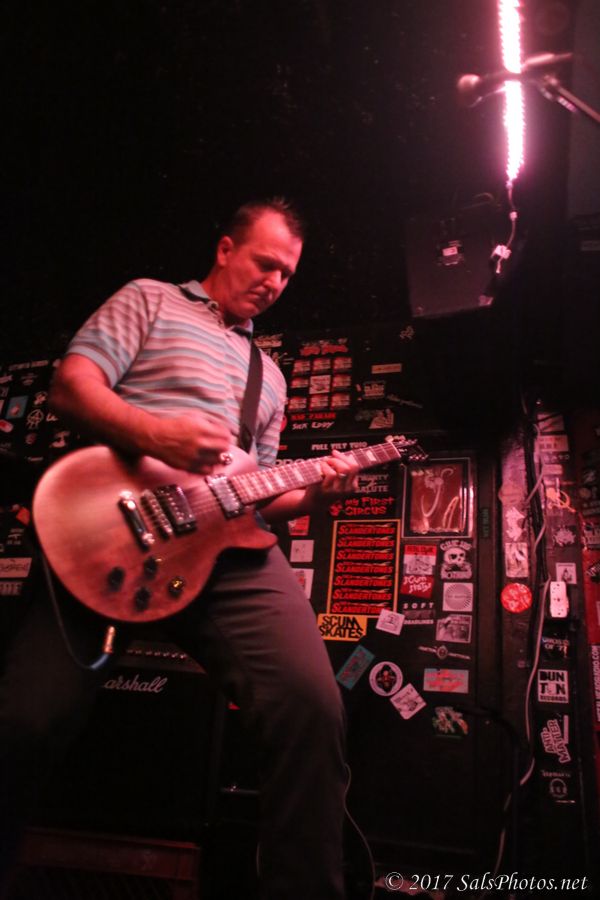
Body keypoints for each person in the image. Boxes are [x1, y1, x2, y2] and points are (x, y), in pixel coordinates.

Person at [0, 198, 359, 899]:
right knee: (23, 721)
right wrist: (154, 434)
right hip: (111, 526)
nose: (275, 283)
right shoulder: (150, 299)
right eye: (265, 263)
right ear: (225, 249)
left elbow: (257, 490)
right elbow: (72, 388)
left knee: (312, 707)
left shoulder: (270, 376)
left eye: (287, 275)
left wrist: (316, 495)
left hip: (226, 551)